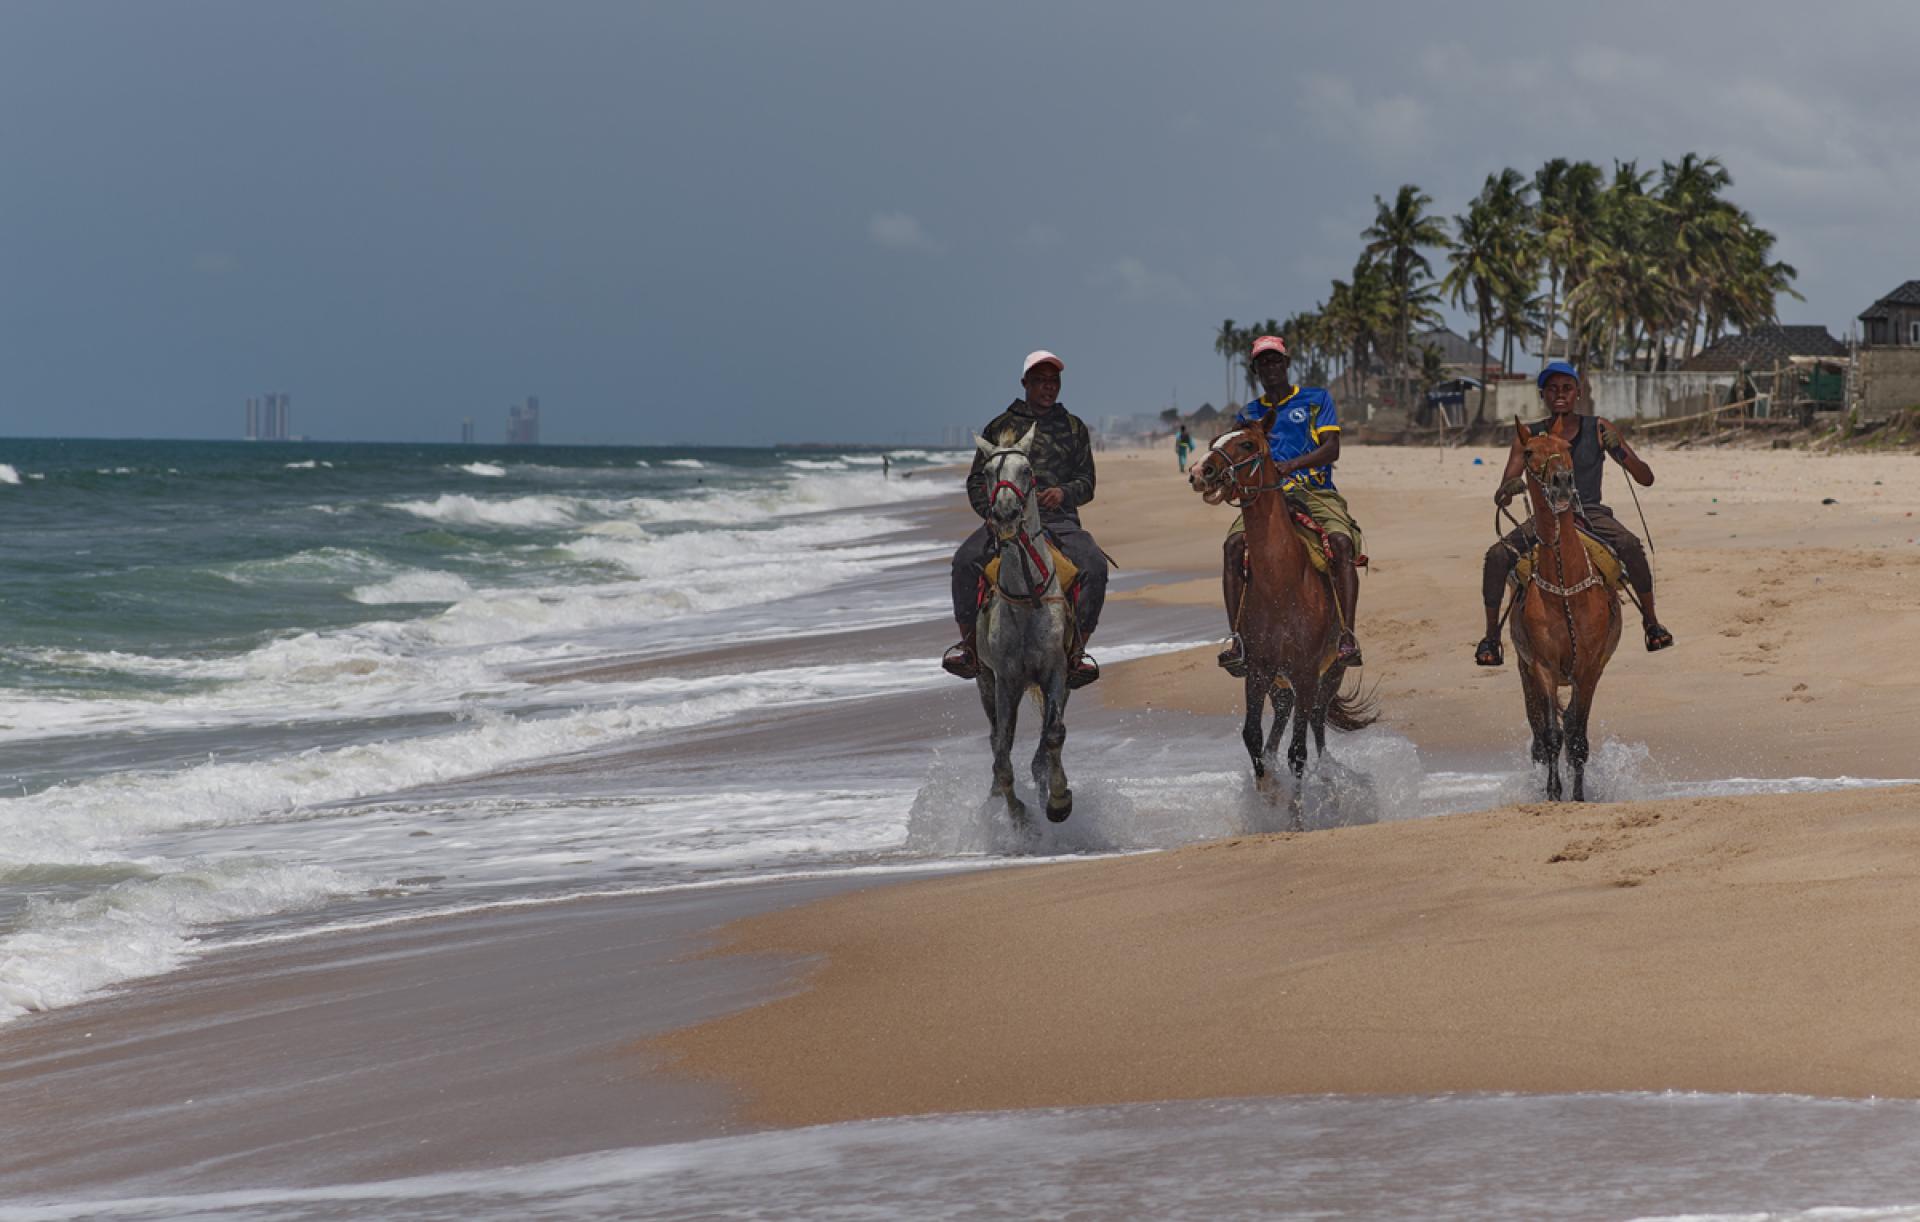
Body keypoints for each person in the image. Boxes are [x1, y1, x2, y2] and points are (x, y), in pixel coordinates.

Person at [1475, 360, 1673, 665]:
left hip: (1590, 513)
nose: (1559, 394)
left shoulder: (1598, 427)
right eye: (1552, 389)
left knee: (1631, 546)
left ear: (1577, 393)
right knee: (1496, 556)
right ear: (1543, 394)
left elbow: (1646, 478)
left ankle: (1651, 623)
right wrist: (1509, 489)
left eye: (1566, 388)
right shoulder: (1529, 435)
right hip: (1547, 517)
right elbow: (1502, 493)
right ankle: (1491, 638)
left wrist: (1618, 450)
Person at [943, 350, 1108, 688]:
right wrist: (990, 514)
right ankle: (970, 648)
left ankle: (1077, 653)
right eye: (1041, 381)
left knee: (1095, 565)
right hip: (1005, 523)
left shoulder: (1074, 427)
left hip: (1059, 521)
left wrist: (1063, 493)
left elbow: (1087, 482)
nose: (1049, 388)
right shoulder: (1000, 426)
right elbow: (977, 479)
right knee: (964, 562)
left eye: (1054, 381)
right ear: (1025, 384)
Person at [1217, 334, 1364, 673]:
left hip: (1316, 493)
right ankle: (1237, 639)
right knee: (1232, 547)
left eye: (1275, 360)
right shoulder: (1249, 413)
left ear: (1286, 364)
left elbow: (1332, 448)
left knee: (1341, 544)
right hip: (1264, 500)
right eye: (1263, 362)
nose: (1270, 367)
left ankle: (1346, 635)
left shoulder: (1316, 400)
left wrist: (1291, 466)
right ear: (1255, 370)